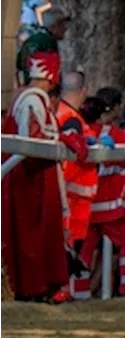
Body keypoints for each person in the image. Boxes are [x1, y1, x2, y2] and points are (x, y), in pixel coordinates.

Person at [0, 52, 79, 302]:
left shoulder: (22, 98)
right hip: (32, 180)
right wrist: (65, 140)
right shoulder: (34, 100)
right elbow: (34, 141)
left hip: (25, 176)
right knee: (32, 236)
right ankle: (34, 288)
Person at [81, 87, 125, 297]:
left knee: (85, 247)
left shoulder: (84, 129)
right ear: (115, 108)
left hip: (86, 199)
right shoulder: (110, 133)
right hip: (112, 201)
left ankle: (78, 291)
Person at [54, 73, 98, 296]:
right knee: (70, 248)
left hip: (64, 191)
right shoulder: (72, 119)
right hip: (74, 197)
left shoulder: (58, 113)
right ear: (82, 92)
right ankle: (63, 293)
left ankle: (66, 291)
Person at [15, 6, 68, 85]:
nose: (65, 28)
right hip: (42, 88)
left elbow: (19, 65)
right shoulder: (48, 41)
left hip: (28, 87)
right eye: (62, 25)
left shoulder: (33, 39)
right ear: (54, 26)